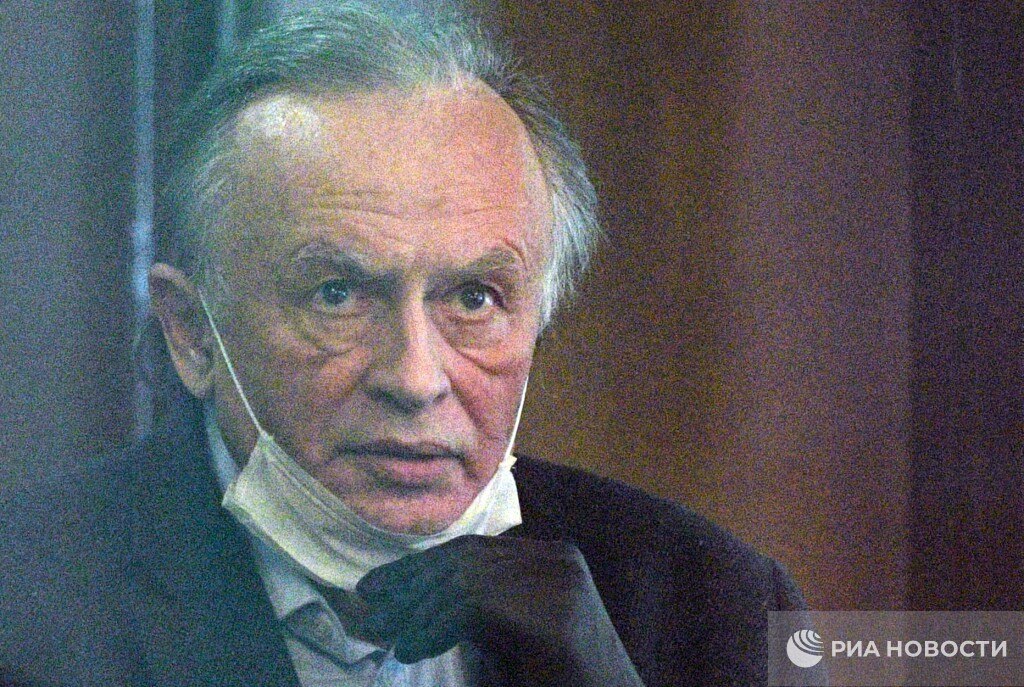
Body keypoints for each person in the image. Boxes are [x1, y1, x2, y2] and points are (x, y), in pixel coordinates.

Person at [0, 4, 818, 686]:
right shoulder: (24, 610)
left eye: (473, 298)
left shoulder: (723, 606)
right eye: (338, 294)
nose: (416, 379)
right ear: (191, 333)